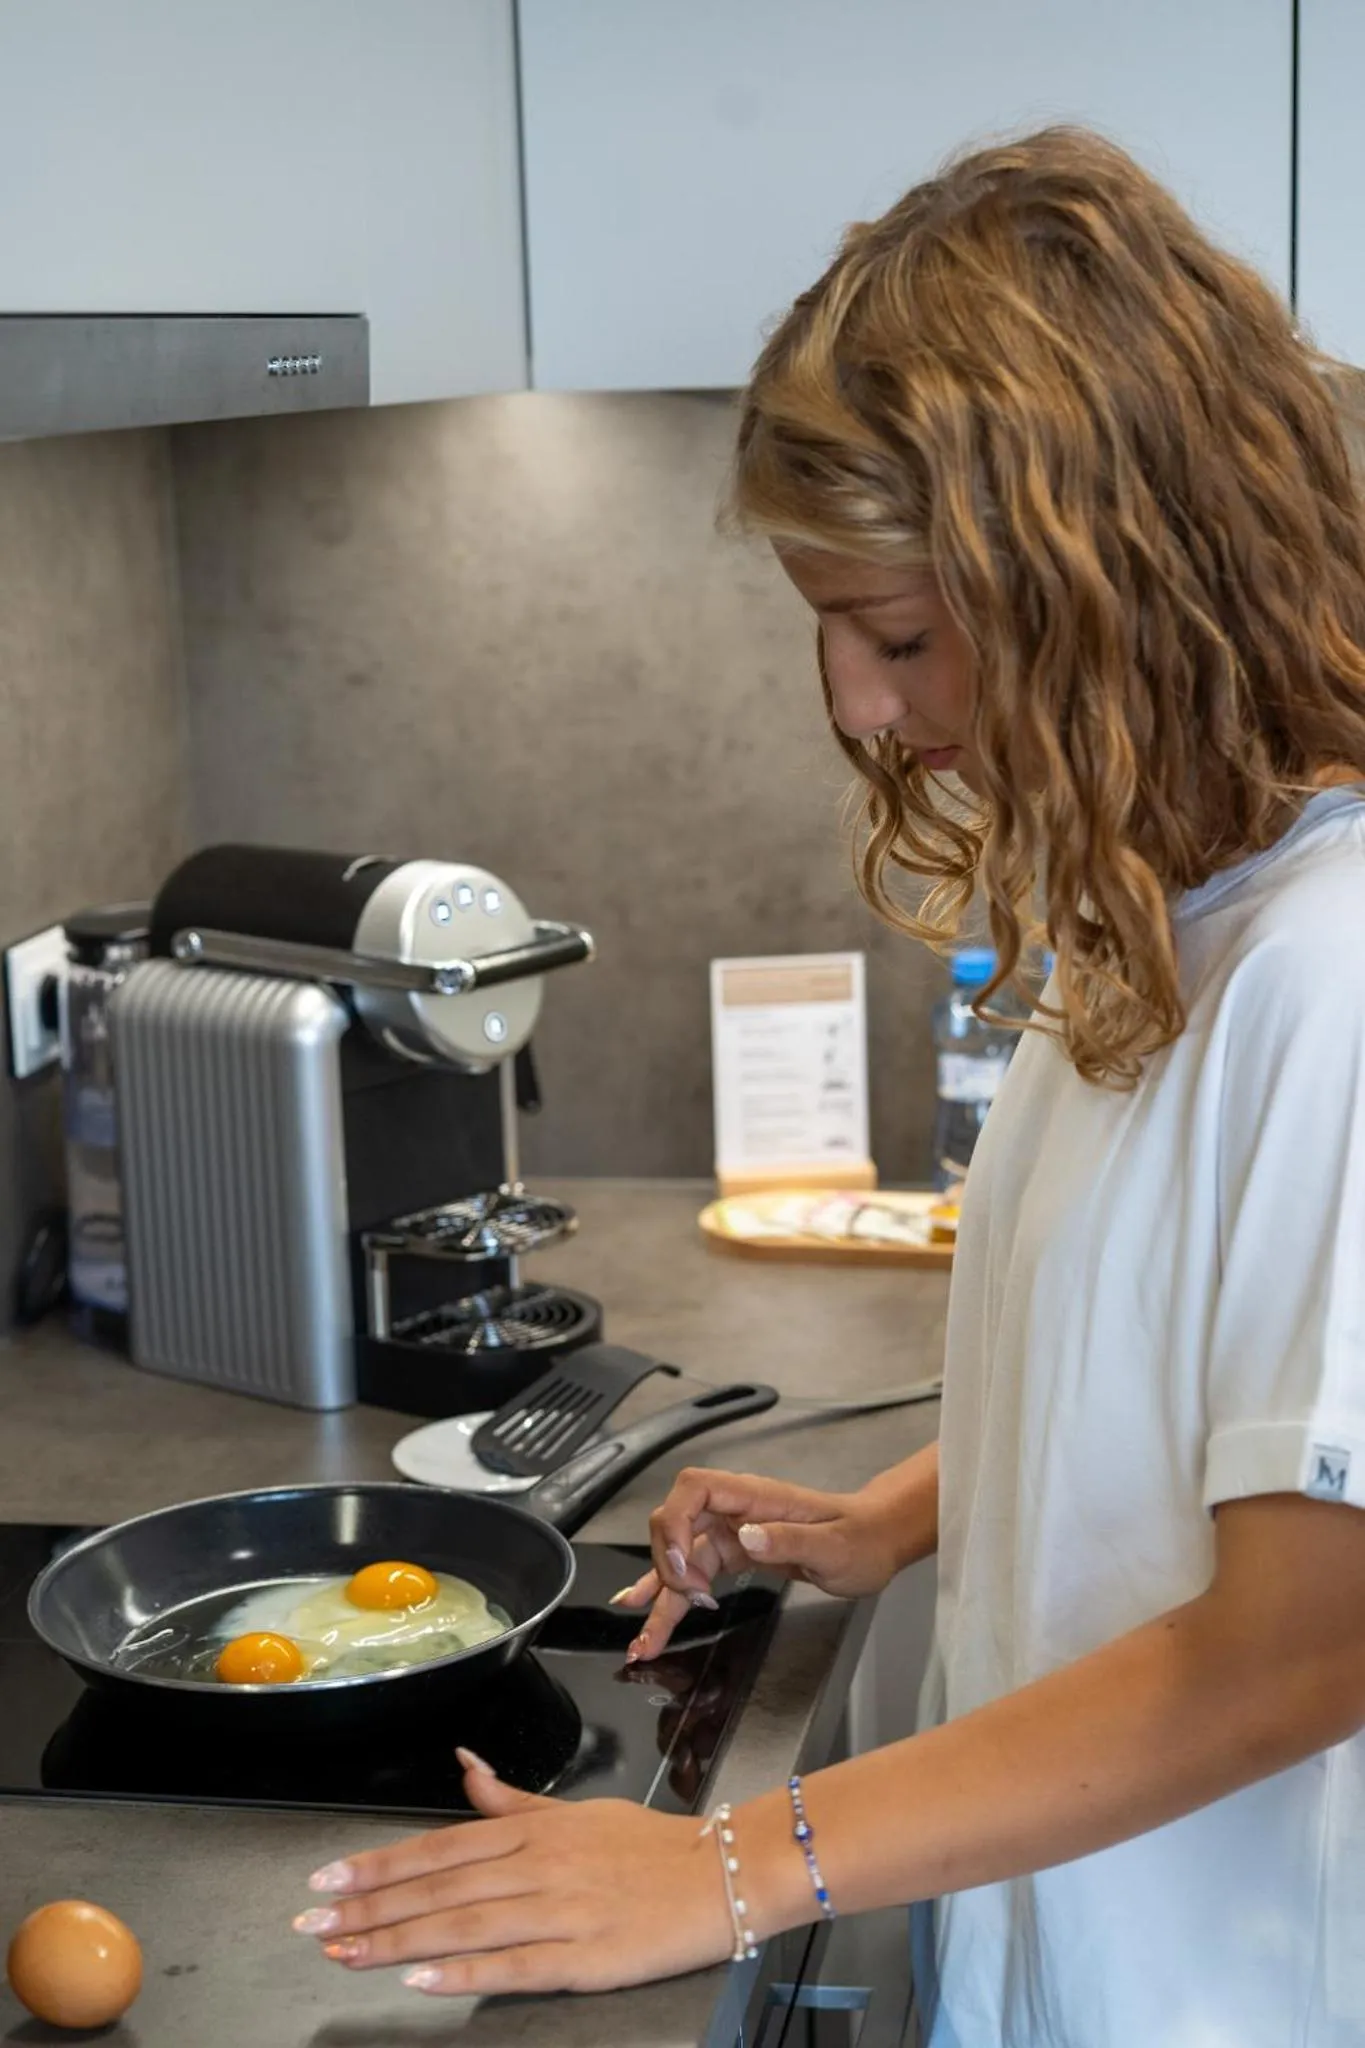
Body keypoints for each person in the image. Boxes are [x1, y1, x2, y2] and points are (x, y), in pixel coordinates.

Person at [289, 128, 1365, 2045]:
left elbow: (1303, 1642)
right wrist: (902, 1514)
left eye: (899, 634)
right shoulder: (1167, 901)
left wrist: (723, 1864)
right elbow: (1203, 1385)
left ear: (1115, 582)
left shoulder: (1331, 976)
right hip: (1053, 1926)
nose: (863, 709)